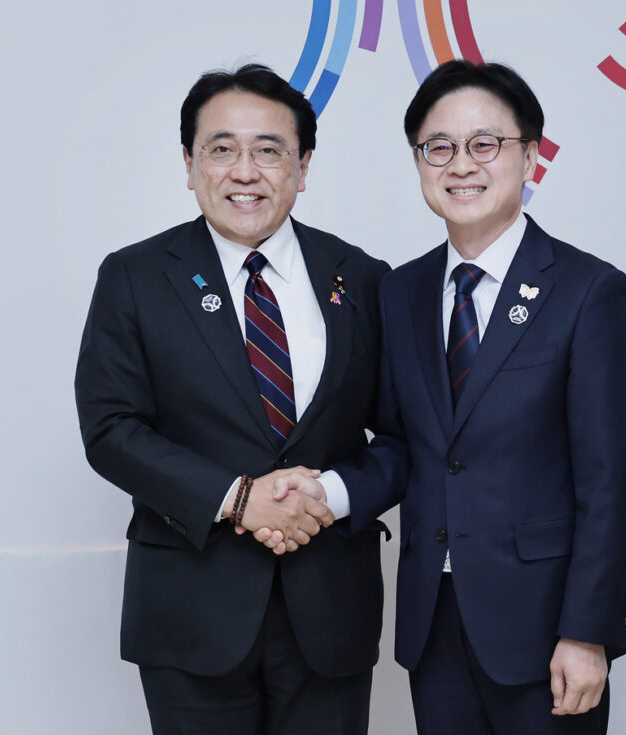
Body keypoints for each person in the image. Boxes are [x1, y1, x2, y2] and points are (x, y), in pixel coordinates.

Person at [331, 60, 626, 734]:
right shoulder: (401, 293)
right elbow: (398, 443)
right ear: (419, 162)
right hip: (433, 619)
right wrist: (322, 494)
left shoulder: (587, 290)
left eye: (485, 144)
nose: (460, 164)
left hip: (544, 627)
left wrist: (588, 632)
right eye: (438, 146)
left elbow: (610, 480)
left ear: (529, 156)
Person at [74, 63, 388, 735]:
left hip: (329, 612)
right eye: (222, 149)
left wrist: (325, 496)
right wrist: (241, 497)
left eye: (269, 151)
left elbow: (401, 438)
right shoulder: (134, 277)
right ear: (189, 164)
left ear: (302, 166)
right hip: (192, 612)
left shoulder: (361, 278)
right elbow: (110, 427)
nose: (245, 171)